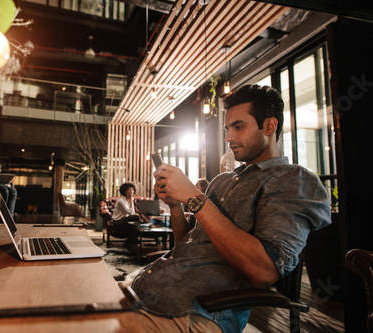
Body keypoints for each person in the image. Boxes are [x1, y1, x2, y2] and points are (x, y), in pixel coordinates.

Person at [130, 85, 331, 332]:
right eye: (227, 129)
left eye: (239, 126)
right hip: (145, 295)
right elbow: (189, 245)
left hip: (191, 312)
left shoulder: (292, 180)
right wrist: (175, 207)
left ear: (269, 126)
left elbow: (264, 270)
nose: (228, 138)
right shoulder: (222, 181)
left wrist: (195, 197)